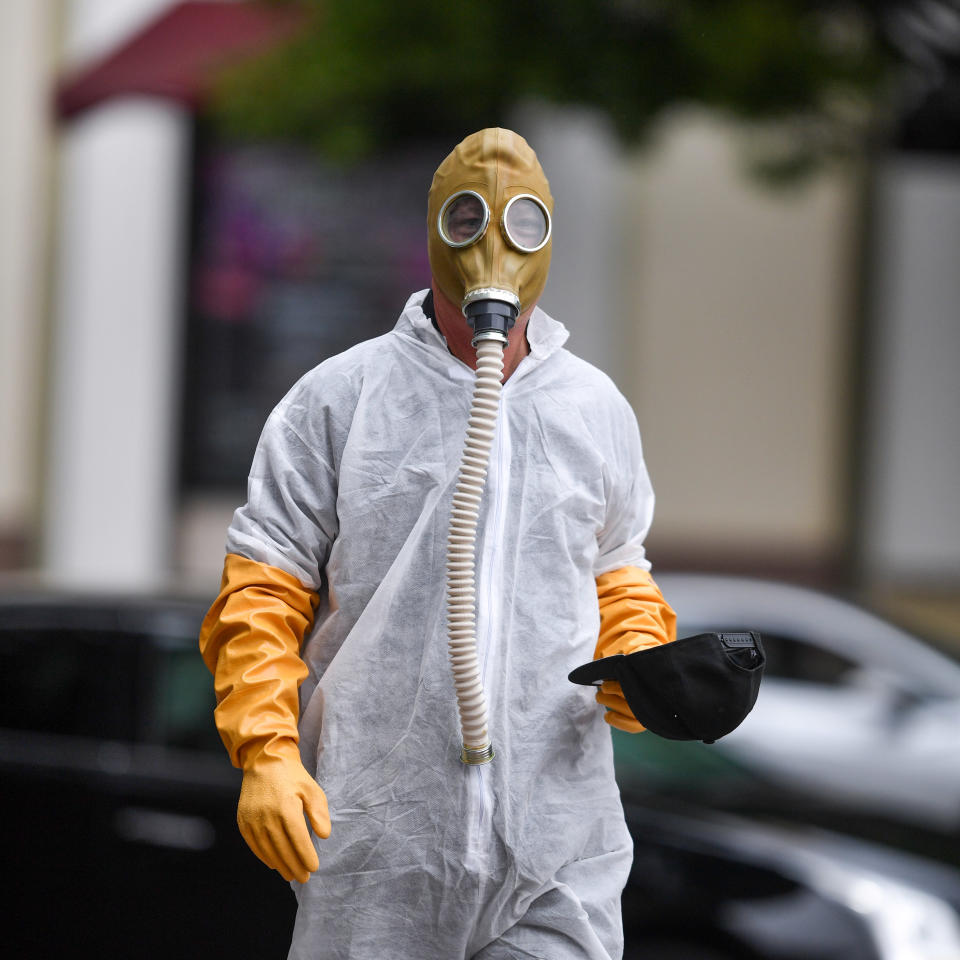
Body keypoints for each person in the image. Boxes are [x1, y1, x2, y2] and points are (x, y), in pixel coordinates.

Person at [199, 127, 676, 960]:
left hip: (556, 840)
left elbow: (617, 567)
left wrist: (639, 657)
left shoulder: (593, 408)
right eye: (467, 218)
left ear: (550, 236)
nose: (494, 246)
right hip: (378, 841)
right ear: (432, 233)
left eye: (523, 223)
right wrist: (266, 753)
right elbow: (264, 590)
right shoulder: (340, 399)